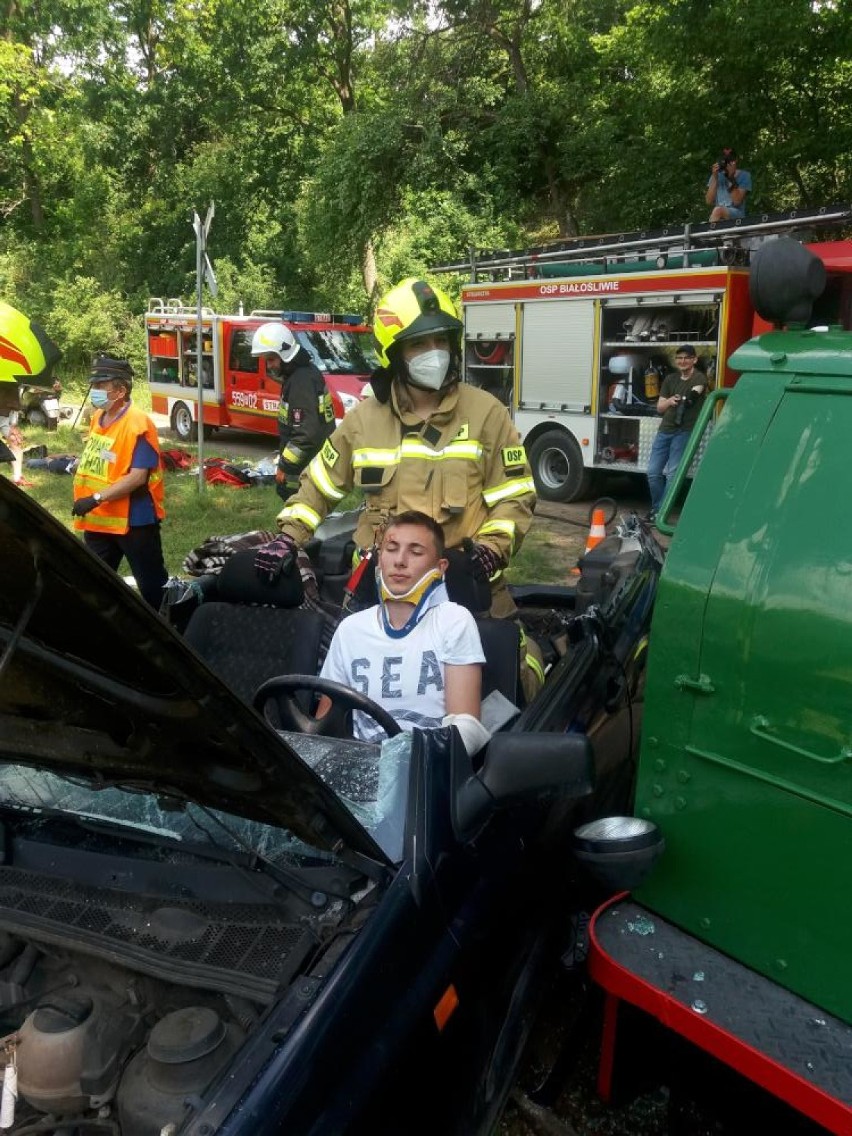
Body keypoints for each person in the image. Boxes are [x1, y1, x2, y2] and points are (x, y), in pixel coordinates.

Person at [254, 277, 543, 700]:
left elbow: (515, 496)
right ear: (393, 354)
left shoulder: (486, 414)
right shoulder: (365, 421)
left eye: (442, 341)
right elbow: (318, 484)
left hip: (465, 584)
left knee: (518, 673)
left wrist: (492, 547)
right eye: (419, 345)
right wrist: (287, 538)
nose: (435, 354)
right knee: (361, 691)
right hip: (384, 589)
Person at [318, 511, 490, 755]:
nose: (400, 560)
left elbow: (467, 729)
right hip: (360, 772)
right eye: (391, 549)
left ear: (440, 567)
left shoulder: (454, 621)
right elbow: (323, 730)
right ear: (379, 561)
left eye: (416, 552)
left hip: (428, 773)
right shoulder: (350, 629)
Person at [71, 355, 168, 610]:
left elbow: (138, 477)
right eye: (94, 386)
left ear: (121, 390)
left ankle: (173, 632)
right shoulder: (97, 418)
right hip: (98, 520)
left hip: (133, 521)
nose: (95, 392)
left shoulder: (138, 422)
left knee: (152, 586)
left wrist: (95, 498)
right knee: (93, 585)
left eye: (101, 386)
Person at [250, 322, 335, 501]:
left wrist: (285, 466)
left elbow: (305, 435)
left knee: (300, 512)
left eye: (271, 360)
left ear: (284, 353)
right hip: (311, 463)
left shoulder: (300, 382)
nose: (270, 366)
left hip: (306, 466)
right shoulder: (302, 374)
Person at [646, 344, 708, 519]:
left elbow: (694, 395)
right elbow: (659, 407)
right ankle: (657, 508)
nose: (682, 361)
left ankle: (661, 512)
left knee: (673, 473)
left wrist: (686, 399)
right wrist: (671, 401)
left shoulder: (699, 378)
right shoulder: (670, 380)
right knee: (653, 472)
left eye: (687, 358)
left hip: (684, 432)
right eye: (679, 358)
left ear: (694, 360)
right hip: (665, 430)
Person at [706, 148, 752, 222]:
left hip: (737, 216)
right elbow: (709, 201)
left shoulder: (744, 175)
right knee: (717, 210)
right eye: (724, 160)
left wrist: (730, 177)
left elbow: (737, 202)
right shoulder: (715, 176)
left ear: (736, 160)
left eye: (730, 160)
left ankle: (711, 233)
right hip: (718, 216)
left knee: (718, 210)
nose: (726, 163)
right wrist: (715, 178)